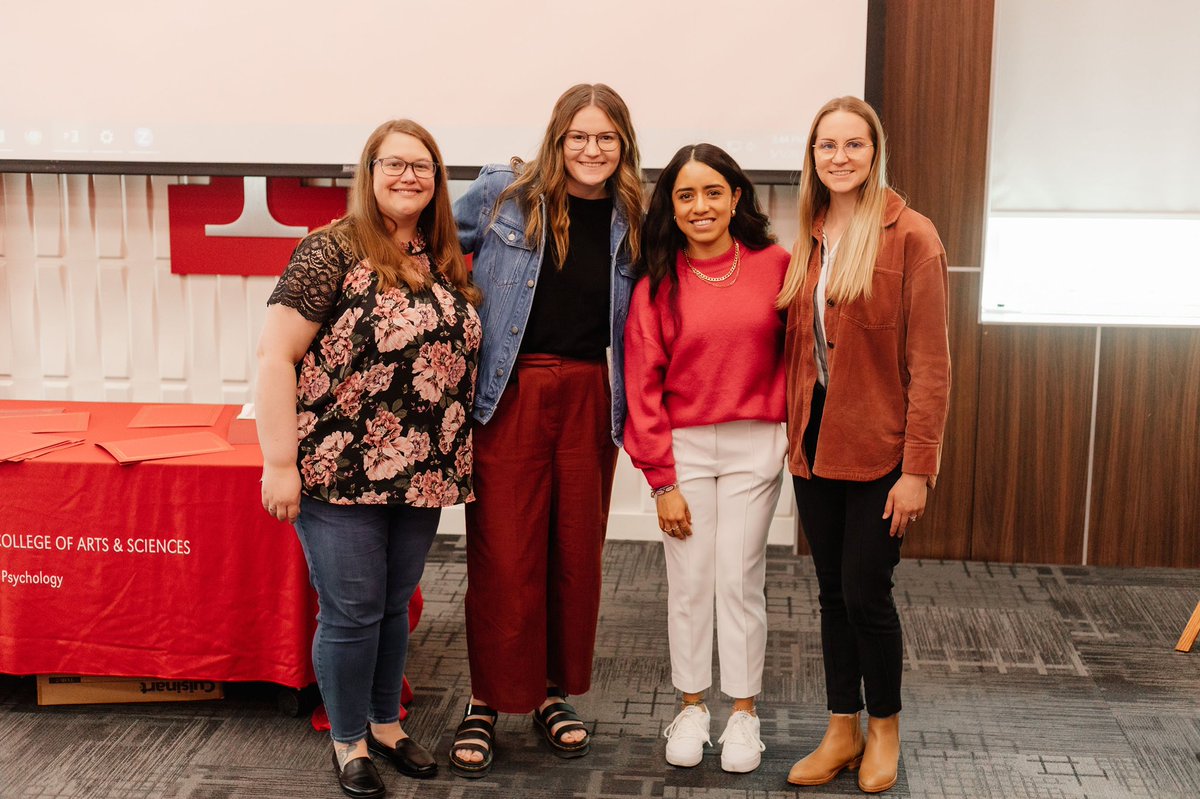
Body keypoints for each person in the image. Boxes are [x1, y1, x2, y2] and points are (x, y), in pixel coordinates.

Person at [256, 119, 482, 799]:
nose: (410, 175)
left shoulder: (440, 253)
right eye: (396, 163)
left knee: (391, 605)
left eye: (424, 165)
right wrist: (279, 462)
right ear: (369, 170)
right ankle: (348, 736)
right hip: (337, 467)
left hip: (421, 469)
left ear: (438, 180)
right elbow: (275, 356)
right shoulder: (330, 249)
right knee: (351, 609)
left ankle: (386, 721)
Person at [448, 83, 644, 778]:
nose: (591, 150)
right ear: (556, 140)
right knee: (505, 552)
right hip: (512, 389)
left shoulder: (633, 215)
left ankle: (552, 693)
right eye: (578, 137)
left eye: (605, 138)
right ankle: (486, 699)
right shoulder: (505, 193)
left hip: (590, 393)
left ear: (623, 145)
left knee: (573, 550)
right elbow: (438, 244)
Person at [779, 97, 950, 794]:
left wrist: (919, 470)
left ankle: (884, 727)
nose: (840, 157)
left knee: (865, 591)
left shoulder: (913, 236)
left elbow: (932, 368)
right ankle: (840, 726)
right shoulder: (810, 230)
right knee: (828, 592)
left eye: (854, 145)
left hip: (881, 450)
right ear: (813, 157)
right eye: (828, 146)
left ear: (874, 152)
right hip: (814, 446)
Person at [623, 144, 790, 774]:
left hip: (756, 442)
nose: (701, 206)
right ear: (671, 205)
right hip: (684, 447)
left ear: (736, 197)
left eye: (713, 192)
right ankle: (692, 706)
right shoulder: (655, 283)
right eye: (686, 195)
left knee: (738, 578)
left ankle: (743, 713)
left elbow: (802, 360)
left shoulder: (777, 265)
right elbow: (642, 385)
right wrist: (661, 481)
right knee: (690, 581)